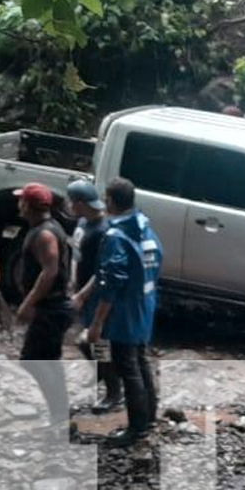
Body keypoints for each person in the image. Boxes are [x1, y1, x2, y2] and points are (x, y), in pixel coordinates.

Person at [88, 177, 163, 447]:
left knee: (127, 367)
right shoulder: (145, 230)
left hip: (124, 312)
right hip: (145, 305)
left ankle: (137, 427)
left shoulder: (116, 236)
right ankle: (149, 417)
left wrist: (97, 322)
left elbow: (112, 282)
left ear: (110, 200)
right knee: (141, 362)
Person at [12, 182, 75, 429]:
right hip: (53, 306)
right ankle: (60, 415)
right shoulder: (44, 228)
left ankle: (60, 416)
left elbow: (49, 272)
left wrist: (28, 304)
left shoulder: (45, 234)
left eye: (21, 200)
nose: (18, 204)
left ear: (28, 205)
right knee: (49, 360)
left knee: (31, 360)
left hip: (51, 308)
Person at [67, 179, 123, 413]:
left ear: (80, 203)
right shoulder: (82, 222)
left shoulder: (102, 230)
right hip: (80, 290)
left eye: (71, 202)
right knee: (87, 341)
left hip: (95, 295)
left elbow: (102, 269)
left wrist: (83, 294)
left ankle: (113, 391)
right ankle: (103, 372)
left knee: (96, 341)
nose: (68, 206)